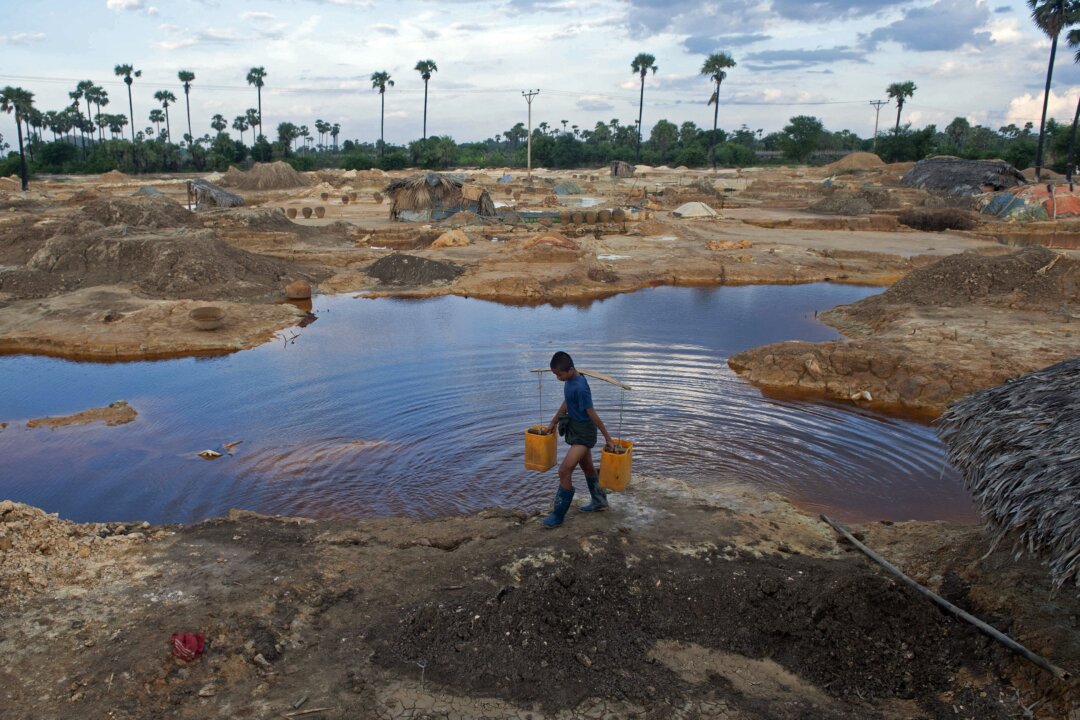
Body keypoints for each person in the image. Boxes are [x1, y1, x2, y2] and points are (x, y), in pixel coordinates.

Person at [540, 351, 613, 528]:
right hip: (575, 428)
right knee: (587, 466)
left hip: (584, 433)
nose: (558, 378)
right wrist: (553, 422)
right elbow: (567, 402)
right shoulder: (571, 380)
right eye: (556, 375)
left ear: (571, 370)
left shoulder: (580, 387)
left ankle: (558, 515)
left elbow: (591, 413)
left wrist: (608, 438)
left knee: (564, 470)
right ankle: (599, 501)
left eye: (560, 374)